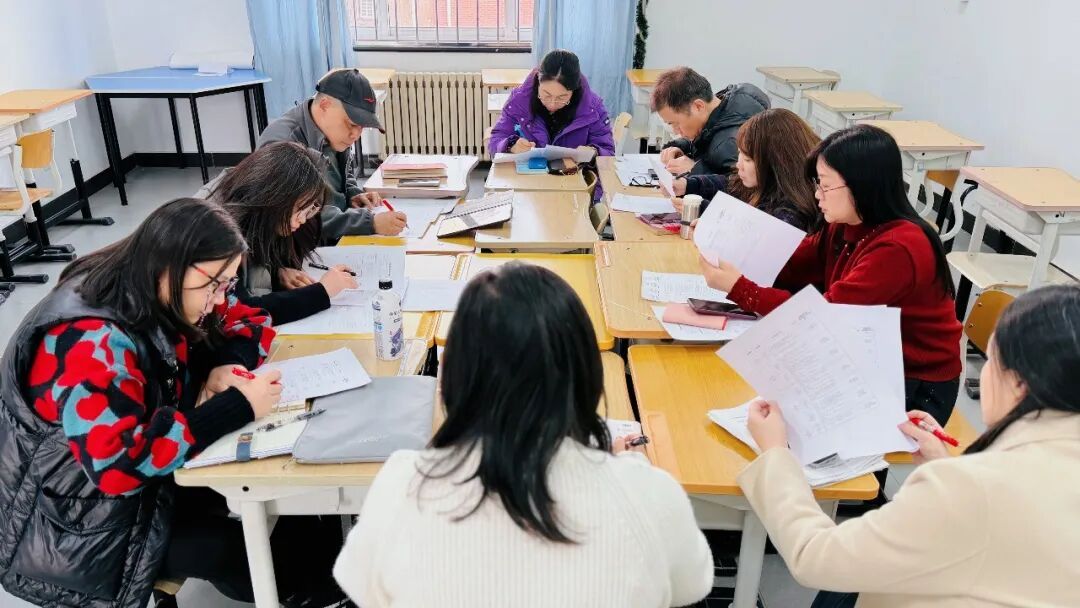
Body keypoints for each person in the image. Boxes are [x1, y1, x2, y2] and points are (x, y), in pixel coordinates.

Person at [0, 199, 348, 608]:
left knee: (292, 510)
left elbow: (250, 319)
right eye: (214, 285)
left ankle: (324, 571)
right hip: (77, 523)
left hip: (137, 486)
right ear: (170, 265)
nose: (218, 300)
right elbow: (118, 468)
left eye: (227, 284)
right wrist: (235, 406)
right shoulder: (90, 342)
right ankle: (313, 589)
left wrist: (224, 365)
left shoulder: (153, 283)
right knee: (236, 551)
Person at [333, 263, 713, 608]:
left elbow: (365, 587)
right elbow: (691, 585)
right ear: (587, 373)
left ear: (451, 375)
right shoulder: (647, 492)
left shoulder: (404, 485)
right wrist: (617, 468)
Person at [738, 284, 1080, 607]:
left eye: (990, 360)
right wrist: (942, 464)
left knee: (851, 581)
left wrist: (775, 453)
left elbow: (815, 556)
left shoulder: (971, 488)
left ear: (1019, 384)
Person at [700, 125, 962, 422]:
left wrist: (741, 289)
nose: (817, 195)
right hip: (865, 359)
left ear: (861, 186)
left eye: (824, 185)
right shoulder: (847, 224)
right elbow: (792, 262)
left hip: (914, 383)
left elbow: (822, 317)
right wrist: (728, 241)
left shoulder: (899, 248)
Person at [200, 141, 358, 323]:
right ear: (274, 197)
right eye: (300, 209)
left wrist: (277, 273)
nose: (302, 219)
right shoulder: (218, 231)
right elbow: (241, 312)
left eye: (310, 210)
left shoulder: (258, 213)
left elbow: (257, 263)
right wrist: (321, 291)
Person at [258, 68, 407, 242]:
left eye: (362, 127)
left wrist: (353, 194)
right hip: (301, 248)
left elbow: (344, 175)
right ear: (324, 105)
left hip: (334, 238)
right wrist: (369, 223)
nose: (356, 135)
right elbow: (297, 217)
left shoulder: (332, 132)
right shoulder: (282, 144)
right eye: (351, 124)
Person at [488, 49, 615, 199]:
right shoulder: (519, 101)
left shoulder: (593, 108)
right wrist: (511, 145)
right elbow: (495, 140)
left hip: (574, 192)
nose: (552, 104)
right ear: (538, 80)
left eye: (562, 97)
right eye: (546, 95)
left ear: (574, 90)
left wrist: (593, 152)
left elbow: (608, 154)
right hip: (527, 188)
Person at [671, 108, 822, 231]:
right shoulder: (764, 183)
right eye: (739, 154)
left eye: (748, 159)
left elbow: (756, 237)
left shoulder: (791, 214)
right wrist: (687, 185)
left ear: (776, 163)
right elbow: (730, 184)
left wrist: (707, 212)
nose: (739, 164)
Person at [652, 67, 769, 178]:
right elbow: (708, 138)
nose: (675, 131)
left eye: (676, 123)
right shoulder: (731, 101)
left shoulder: (730, 144)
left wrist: (694, 169)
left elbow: (740, 186)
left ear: (698, 106)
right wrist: (681, 147)